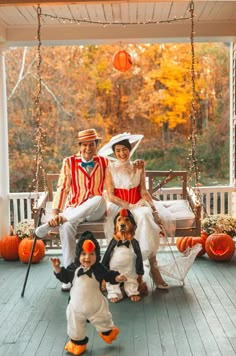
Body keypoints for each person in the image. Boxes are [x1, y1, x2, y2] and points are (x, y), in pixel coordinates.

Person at [36, 128, 109, 291]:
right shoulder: (69, 162)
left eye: (91, 145)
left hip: (96, 211)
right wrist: (56, 212)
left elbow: (114, 181)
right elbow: (62, 188)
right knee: (66, 226)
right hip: (75, 209)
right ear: (80, 145)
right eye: (84, 145)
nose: (88, 149)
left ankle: (63, 218)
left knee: (98, 199)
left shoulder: (104, 162)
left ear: (96, 145)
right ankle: (69, 276)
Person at [101, 133, 171, 289]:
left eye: (124, 149)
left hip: (138, 202)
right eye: (117, 150)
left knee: (146, 215)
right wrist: (128, 206)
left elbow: (144, 191)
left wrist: (154, 210)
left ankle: (152, 265)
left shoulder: (138, 165)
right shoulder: (110, 168)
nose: (121, 153)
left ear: (130, 149)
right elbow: (111, 196)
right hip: (120, 205)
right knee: (123, 224)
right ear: (114, 152)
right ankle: (112, 274)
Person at [51, 231, 127, 356]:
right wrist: (57, 268)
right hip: (76, 308)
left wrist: (118, 278)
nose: (87, 257)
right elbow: (64, 277)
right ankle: (77, 343)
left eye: (92, 254)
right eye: (83, 254)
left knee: (104, 319)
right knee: (75, 326)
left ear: (96, 255)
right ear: (78, 255)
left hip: (95, 306)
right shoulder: (74, 268)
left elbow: (109, 276)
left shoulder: (98, 268)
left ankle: (107, 331)